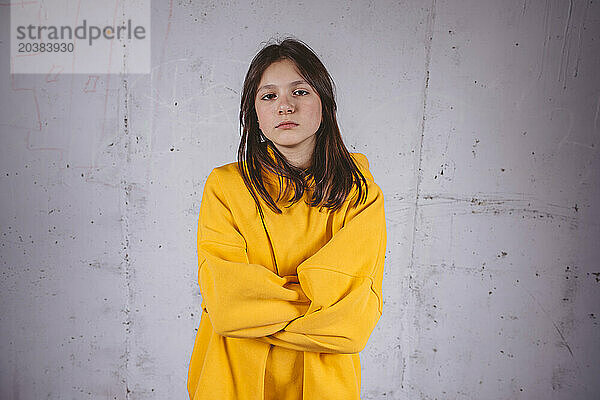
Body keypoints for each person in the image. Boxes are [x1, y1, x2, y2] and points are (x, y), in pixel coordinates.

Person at [187, 37, 387, 400]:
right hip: (232, 376)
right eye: (269, 96)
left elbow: (351, 322)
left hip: (323, 382)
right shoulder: (224, 187)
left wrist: (258, 310)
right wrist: (314, 306)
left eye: (300, 91)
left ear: (323, 104)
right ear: (255, 114)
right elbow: (228, 306)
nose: (285, 106)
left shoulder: (359, 192)